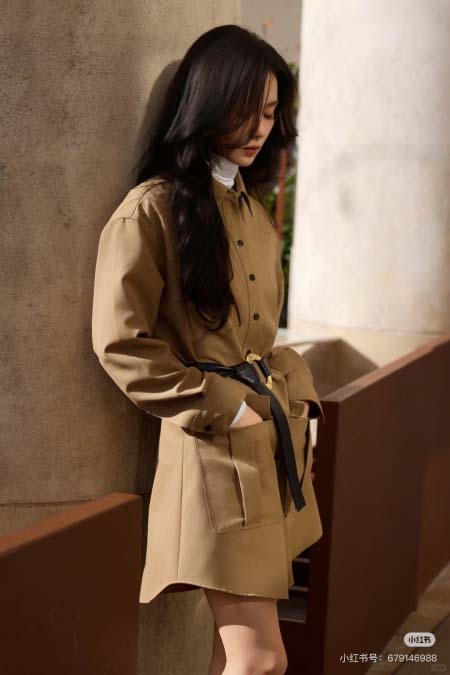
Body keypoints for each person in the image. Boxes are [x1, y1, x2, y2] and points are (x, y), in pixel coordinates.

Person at [91, 24, 325, 675]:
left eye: (270, 113)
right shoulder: (150, 211)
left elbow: (263, 337)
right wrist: (229, 407)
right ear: (207, 102)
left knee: (238, 656)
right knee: (260, 660)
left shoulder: (251, 208)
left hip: (266, 448)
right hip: (212, 454)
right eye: (245, 109)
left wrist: (297, 399)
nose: (259, 129)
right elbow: (122, 343)